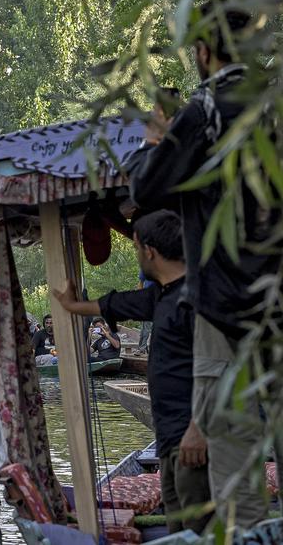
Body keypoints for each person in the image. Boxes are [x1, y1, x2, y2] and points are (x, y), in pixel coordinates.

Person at [128, 2, 278, 528]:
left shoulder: (209, 107)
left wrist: (154, 142)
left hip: (227, 311)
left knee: (237, 475)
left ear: (204, 51)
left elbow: (148, 188)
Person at [52, 210, 211, 534]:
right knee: (178, 525)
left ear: (149, 252)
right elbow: (115, 304)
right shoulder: (162, 295)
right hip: (169, 435)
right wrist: (71, 307)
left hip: (192, 434)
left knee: (200, 527)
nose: (137, 253)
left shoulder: (196, 298)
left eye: (137, 247)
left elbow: (217, 365)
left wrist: (199, 428)